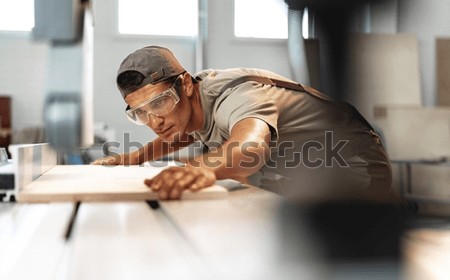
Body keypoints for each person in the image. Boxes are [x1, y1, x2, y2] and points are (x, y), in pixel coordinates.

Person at [92, 45, 392, 201]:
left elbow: (251, 146)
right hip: (306, 171)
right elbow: (182, 132)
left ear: (184, 84)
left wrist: (202, 167)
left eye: (159, 102)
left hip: (354, 163)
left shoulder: (236, 95)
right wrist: (134, 158)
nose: (154, 120)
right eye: (140, 112)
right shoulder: (191, 105)